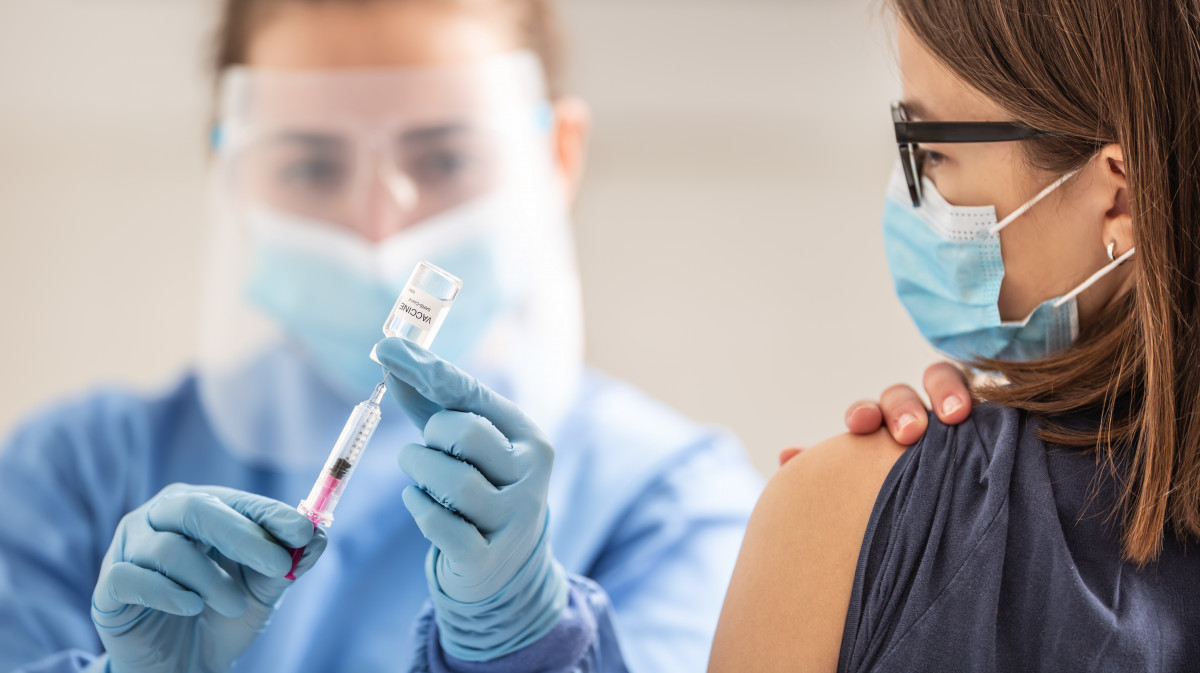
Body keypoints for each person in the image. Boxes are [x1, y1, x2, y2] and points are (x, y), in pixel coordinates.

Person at [0, 1, 775, 671]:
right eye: (310, 165)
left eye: (444, 156)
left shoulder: (672, 502)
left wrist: (525, 640)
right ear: (232, 168)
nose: (380, 229)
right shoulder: (73, 476)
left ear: (557, 155)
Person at [708, 0, 1200, 670]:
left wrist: (849, 509)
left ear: (1118, 197)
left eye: (933, 150)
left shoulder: (846, 516)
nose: (913, 193)